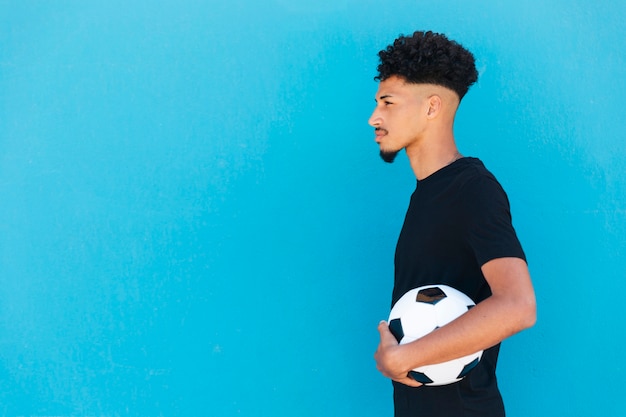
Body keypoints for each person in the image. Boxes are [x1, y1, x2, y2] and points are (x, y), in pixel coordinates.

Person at [370, 31, 537, 417]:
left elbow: (518, 305)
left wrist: (402, 357)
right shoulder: (428, 195)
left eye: (388, 103)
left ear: (432, 107)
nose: (374, 117)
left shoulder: (473, 189)